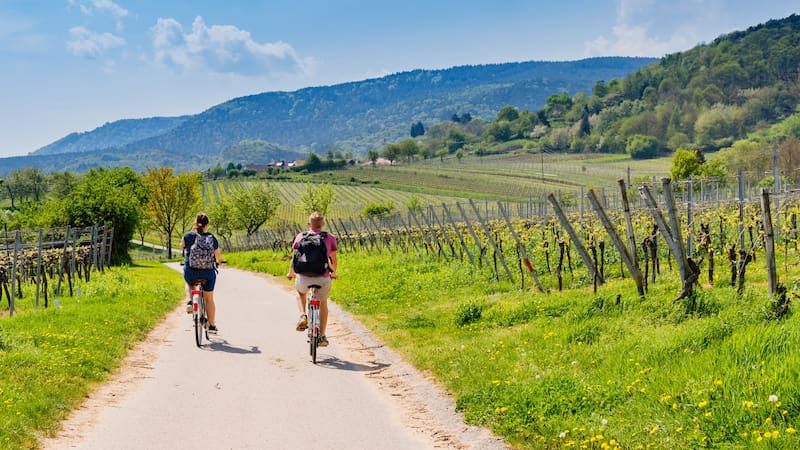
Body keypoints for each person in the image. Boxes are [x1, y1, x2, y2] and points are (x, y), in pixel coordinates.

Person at [287, 211, 338, 347]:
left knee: (300, 293)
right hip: (323, 278)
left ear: (309, 224)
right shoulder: (330, 238)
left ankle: (303, 315)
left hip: (303, 277)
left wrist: (290, 272)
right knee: (323, 303)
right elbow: (333, 260)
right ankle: (322, 336)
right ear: (323, 224)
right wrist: (334, 273)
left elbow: (295, 258)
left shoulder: (300, 236)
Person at [182, 212, 223, 334]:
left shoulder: (188, 236)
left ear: (195, 223)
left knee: (189, 283)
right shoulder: (211, 238)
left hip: (191, 271)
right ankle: (211, 326)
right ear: (207, 224)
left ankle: (190, 301)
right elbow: (218, 256)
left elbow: (182, 246)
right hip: (208, 273)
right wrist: (220, 262)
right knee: (209, 299)